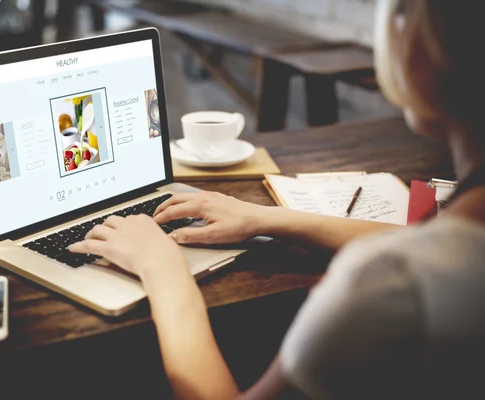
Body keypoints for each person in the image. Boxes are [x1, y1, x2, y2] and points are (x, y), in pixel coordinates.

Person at [69, 0, 485, 398]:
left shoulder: (388, 283)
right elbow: (429, 243)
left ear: (441, 52)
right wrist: (270, 218)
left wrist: (161, 268)